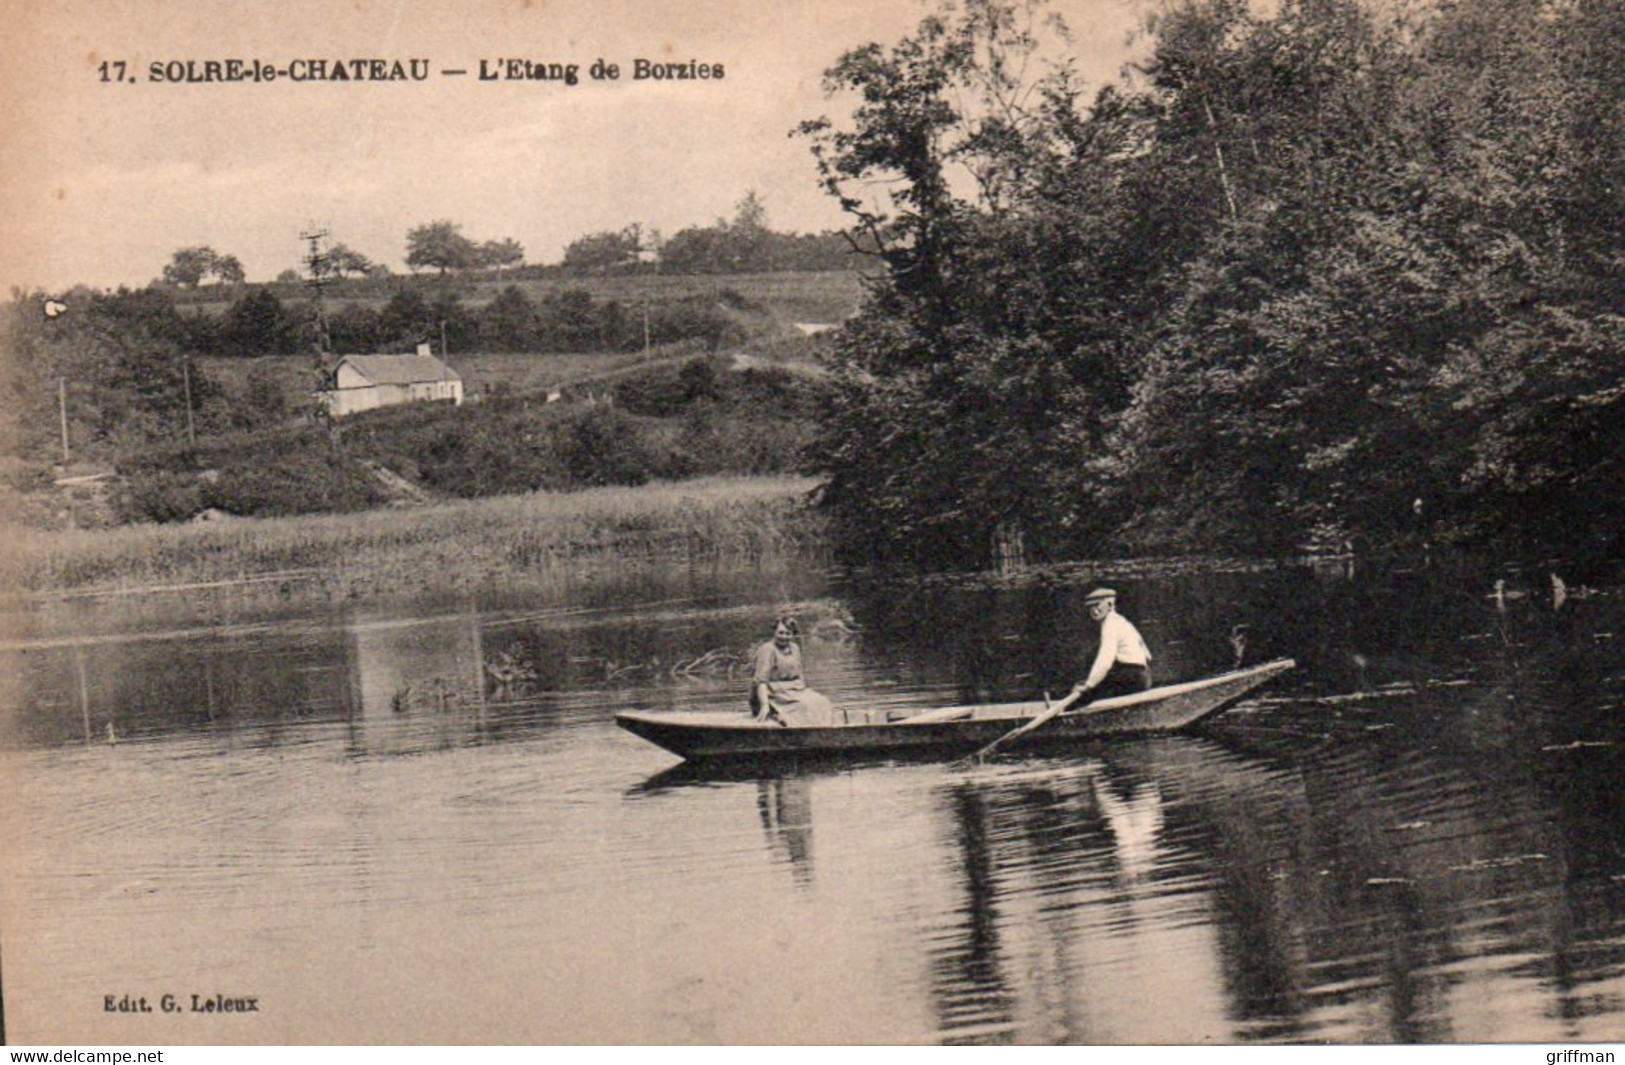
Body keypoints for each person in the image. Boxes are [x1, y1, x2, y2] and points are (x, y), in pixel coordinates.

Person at [750, 616, 839, 727]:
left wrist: (806, 692)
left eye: (788, 634)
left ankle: (822, 731)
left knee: (823, 702)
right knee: (805, 705)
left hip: (795, 690)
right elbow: (760, 681)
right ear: (774, 632)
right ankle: (780, 717)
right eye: (781, 633)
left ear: (793, 635)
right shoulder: (767, 649)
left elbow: (799, 674)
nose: (784, 637)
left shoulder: (794, 648)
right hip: (773, 694)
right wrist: (764, 705)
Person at [1070, 588, 1153, 704]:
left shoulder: (1110, 625)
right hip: (1144, 676)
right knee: (1088, 683)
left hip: (1132, 679)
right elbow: (1148, 656)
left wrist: (1089, 685)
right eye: (1090, 607)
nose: (1093, 611)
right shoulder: (1123, 622)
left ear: (1109, 604)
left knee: (1084, 692)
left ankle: (1068, 715)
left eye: (1097, 605)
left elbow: (1105, 660)